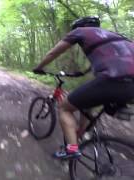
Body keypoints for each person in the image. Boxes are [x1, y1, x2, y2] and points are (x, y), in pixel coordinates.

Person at [33, 16, 134, 159]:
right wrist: (82, 72)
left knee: (64, 108)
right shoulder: (116, 37)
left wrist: (39, 67)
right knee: (87, 103)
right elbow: (109, 61)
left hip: (112, 79)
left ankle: (72, 149)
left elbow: (53, 53)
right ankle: (80, 133)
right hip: (130, 86)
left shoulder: (80, 31)